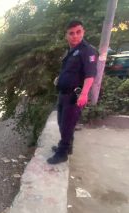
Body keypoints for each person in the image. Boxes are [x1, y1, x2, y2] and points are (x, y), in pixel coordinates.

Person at [47, 20, 98, 164]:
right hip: (64, 94)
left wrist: (84, 94)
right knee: (62, 123)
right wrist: (60, 78)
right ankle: (67, 147)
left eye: (78, 32)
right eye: (71, 33)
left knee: (67, 125)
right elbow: (69, 71)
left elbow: (90, 75)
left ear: (83, 32)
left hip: (74, 96)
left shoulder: (87, 50)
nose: (75, 36)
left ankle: (62, 153)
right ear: (66, 35)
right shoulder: (71, 51)